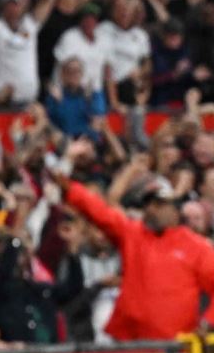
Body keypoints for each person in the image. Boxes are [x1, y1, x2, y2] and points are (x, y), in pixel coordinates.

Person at [52, 143, 214, 340]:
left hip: (176, 347)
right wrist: (70, 188)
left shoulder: (196, 246)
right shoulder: (132, 232)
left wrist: (207, 322)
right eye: (146, 203)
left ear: (174, 207)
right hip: (131, 343)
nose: (150, 209)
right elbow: (99, 212)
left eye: (158, 203)